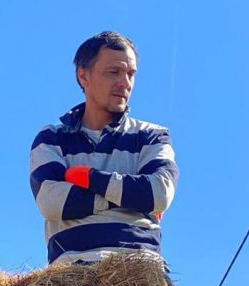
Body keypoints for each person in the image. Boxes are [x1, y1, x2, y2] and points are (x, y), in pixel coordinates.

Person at [29, 31, 179, 265]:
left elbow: (158, 194)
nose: (125, 83)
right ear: (83, 76)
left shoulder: (151, 135)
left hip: (138, 269)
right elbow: (51, 202)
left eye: (131, 74)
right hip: (70, 273)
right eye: (114, 72)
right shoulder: (52, 138)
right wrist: (130, 198)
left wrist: (88, 178)